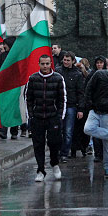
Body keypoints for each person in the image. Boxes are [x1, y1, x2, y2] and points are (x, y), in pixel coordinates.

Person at [25, 54, 66, 182]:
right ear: (39, 64)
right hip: (37, 117)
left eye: (47, 63)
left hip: (53, 117)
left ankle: (55, 163)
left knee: (54, 143)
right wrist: (30, 116)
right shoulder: (33, 79)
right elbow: (28, 99)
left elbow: (62, 99)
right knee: (38, 144)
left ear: (51, 64)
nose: (45, 66)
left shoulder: (58, 78)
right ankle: (40, 170)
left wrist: (60, 116)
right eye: (43, 64)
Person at [55, 51, 84, 162]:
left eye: (68, 60)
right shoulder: (58, 71)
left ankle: (64, 153)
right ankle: (57, 151)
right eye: (64, 60)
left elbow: (80, 92)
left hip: (71, 105)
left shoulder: (77, 74)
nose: (66, 62)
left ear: (73, 61)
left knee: (68, 131)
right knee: (58, 130)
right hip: (59, 104)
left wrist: (80, 109)